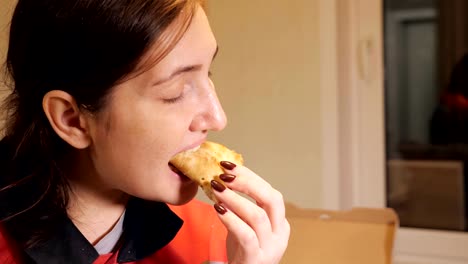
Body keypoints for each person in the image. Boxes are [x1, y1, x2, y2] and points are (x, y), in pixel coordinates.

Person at [0, 0, 290, 263]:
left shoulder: (222, 240)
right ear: (71, 119)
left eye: (208, 74)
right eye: (175, 92)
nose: (217, 118)